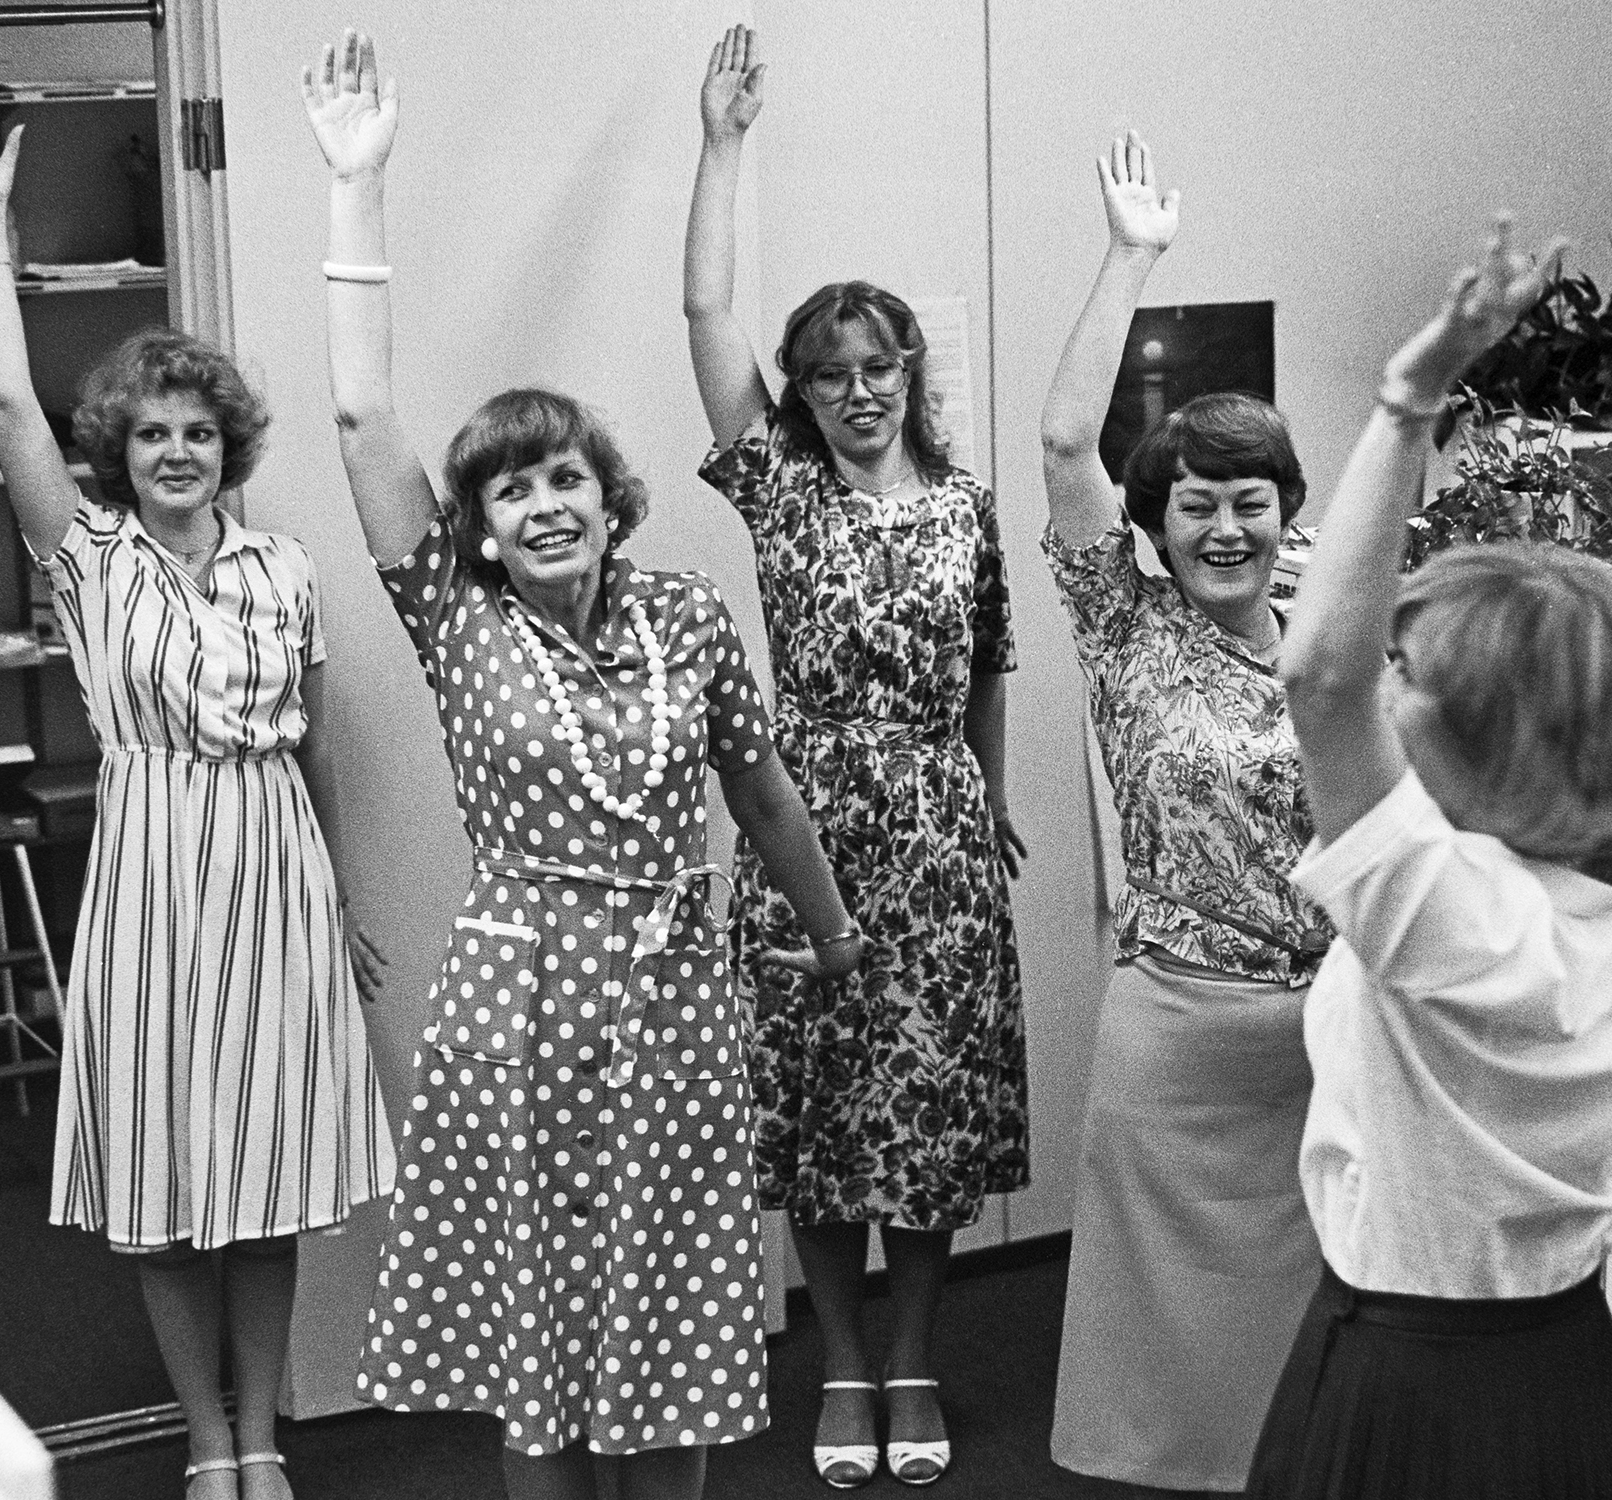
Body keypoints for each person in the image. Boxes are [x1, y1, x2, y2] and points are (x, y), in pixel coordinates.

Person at [301, 34, 862, 1500]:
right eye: (510, 488)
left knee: (674, 1305)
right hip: (522, 996)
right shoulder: (456, 617)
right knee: (539, 1329)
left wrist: (834, 937)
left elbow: (762, 794)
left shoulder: (689, 614)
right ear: (477, 529)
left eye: (565, 478)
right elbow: (361, 417)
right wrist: (357, 186)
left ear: (609, 500)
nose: (543, 503)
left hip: (674, 993)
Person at [1253, 216, 1612, 1500]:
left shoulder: (1447, 915)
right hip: (1566, 1372)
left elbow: (1316, 673)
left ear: (1488, 733)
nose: (1382, 690)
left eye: (1408, 674)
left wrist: (1410, 396)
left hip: (1399, 1380)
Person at [0, 95, 395, 1500]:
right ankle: (203, 1438)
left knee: (264, 1186)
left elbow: (313, 751)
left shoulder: (283, 571)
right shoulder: (87, 562)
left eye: (199, 431)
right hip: (148, 882)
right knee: (158, 1192)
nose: (177, 453)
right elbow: (7, 402)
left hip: (274, 884)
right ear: (120, 453)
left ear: (230, 446)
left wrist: (340, 900)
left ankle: (261, 1434)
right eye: (151, 435)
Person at [684, 25, 1028, 1487]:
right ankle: (839, 1365)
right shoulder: (781, 491)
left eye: (879, 365)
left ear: (909, 372)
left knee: (928, 1111)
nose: (858, 390)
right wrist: (723, 144)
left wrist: (990, 792)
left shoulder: (965, 503)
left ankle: (917, 1356)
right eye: (829, 375)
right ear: (803, 395)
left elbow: (992, 657)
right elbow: (705, 311)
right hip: (807, 820)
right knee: (821, 1111)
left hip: (939, 825)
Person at [1035, 133, 1330, 1497]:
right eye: (1194, 505)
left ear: (1286, 514)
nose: (1223, 528)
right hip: (1177, 1035)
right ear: (1154, 523)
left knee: (1317, 1349)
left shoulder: (1336, 639)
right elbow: (1061, 441)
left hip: (1330, 1038)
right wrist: (1130, 255)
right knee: (1168, 1363)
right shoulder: (1126, 627)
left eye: (1249, 502)